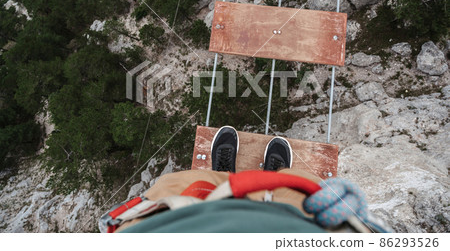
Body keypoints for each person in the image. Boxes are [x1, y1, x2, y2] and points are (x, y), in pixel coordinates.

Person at [100, 126, 389, 233]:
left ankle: (226, 177)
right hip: (298, 226)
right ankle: (272, 181)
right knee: (294, 185)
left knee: (179, 186)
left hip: (163, 227)